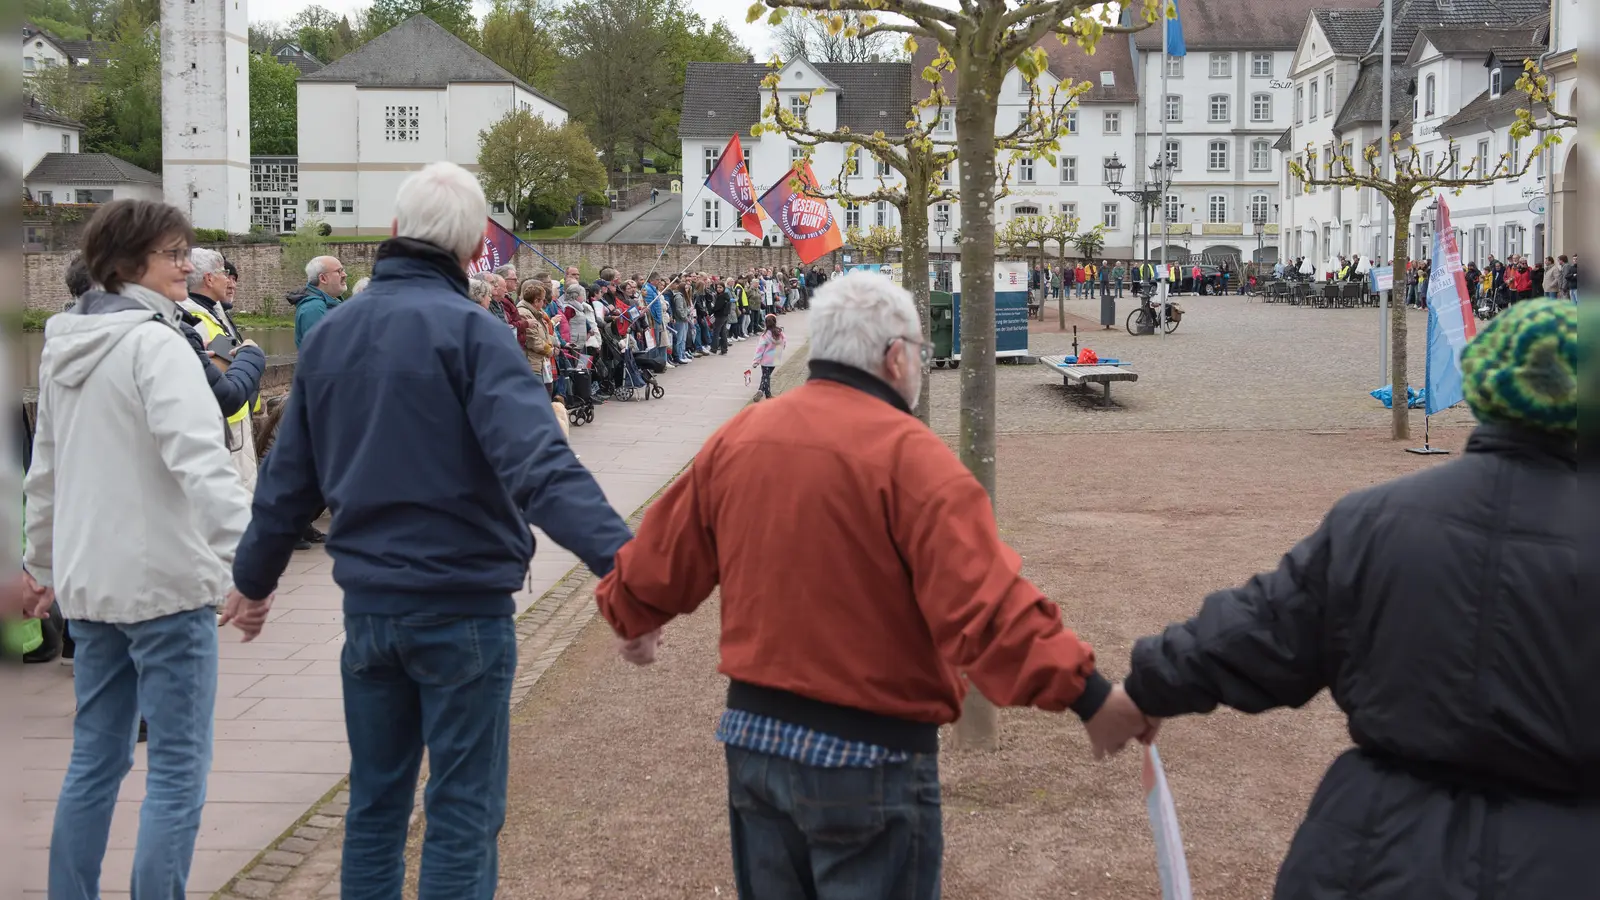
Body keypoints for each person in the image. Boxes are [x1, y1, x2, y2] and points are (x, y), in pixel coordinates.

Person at [593, 271, 1151, 900]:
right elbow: (987, 607)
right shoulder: (912, 459)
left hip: (755, 741)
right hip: (868, 755)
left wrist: (633, 615)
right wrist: (1092, 696)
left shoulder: (739, 438)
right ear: (895, 357)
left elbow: (661, 554)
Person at [229, 162, 633, 900]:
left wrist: (253, 581)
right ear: (476, 247)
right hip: (462, 606)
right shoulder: (475, 335)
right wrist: (627, 566)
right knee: (461, 812)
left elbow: (289, 477)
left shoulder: (334, 334)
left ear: (391, 233)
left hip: (373, 611)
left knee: (376, 808)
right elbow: (540, 465)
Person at [1118, 299, 1582, 900]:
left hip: (1374, 850)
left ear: (1486, 386)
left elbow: (1264, 630)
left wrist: (1149, 684)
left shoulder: (1378, 519)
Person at [25, 199, 256, 899]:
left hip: (94, 587)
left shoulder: (63, 344)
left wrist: (39, 566)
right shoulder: (158, 344)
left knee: (94, 761)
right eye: (174, 253)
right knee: (179, 768)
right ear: (129, 264)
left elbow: (46, 472)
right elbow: (201, 460)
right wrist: (251, 560)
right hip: (166, 585)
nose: (189, 264)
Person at [291, 256, 347, 349]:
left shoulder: (332, 302)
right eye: (339, 271)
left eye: (343, 270)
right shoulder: (313, 308)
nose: (344, 275)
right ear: (323, 278)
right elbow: (322, 351)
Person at [747, 313, 786, 401]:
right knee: (766, 376)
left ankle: (762, 391)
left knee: (765, 376)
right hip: (775, 357)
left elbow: (760, 349)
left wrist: (756, 361)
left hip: (766, 359)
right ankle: (766, 393)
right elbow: (784, 342)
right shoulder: (780, 333)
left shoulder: (765, 336)